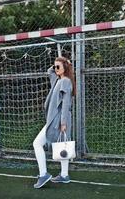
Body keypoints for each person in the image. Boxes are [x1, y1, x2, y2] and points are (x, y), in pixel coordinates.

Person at [33, 56, 75, 189]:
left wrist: (63, 122)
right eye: (55, 66)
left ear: (65, 68)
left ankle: (43, 174)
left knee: (37, 143)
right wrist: (60, 64)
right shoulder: (57, 80)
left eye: (58, 66)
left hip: (58, 119)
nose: (55, 69)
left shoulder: (66, 81)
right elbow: (49, 72)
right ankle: (64, 175)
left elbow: (66, 103)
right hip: (55, 118)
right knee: (62, 144)